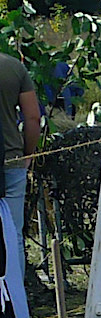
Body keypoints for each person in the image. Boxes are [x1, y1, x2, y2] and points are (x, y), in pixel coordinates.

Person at [0, 43, 40, 241]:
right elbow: (33, 118)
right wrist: (27, 154)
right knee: (12, 231)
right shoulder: (13, 66)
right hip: (11, 158)